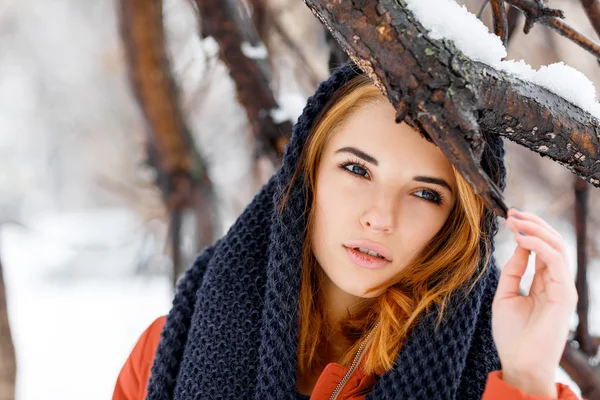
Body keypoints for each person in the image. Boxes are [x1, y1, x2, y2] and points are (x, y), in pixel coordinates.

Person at [113, 64, 581, 400]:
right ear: (307, 175)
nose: (380, 217)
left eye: (426, 194)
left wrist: (525, 376)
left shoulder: (505, 382)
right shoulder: (170, 351)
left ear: (456, 223)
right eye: (357, 169)